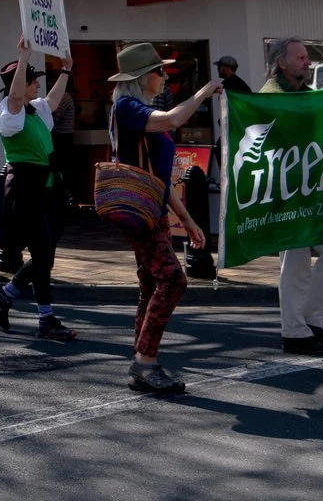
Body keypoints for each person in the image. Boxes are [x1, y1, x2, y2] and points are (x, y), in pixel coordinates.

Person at [106, 43, 219, 394]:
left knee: (151, 285)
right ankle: (145, 362)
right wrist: (203, 92)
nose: (163, 78)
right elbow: (173, 119)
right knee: (173, 280)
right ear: (143, 78)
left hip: (150, 211)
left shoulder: (137, 109)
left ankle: (141, 361)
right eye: (159, 72)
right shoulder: (127, 107)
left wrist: (186, 220)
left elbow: (158, 176)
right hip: (141, 213)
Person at [257, 37, 323, 356]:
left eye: (307, 57)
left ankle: (310, 321)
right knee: (295, 261)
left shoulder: (304, 94)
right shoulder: (271, 95)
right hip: (286, 192)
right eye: (300, 58)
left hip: (313, 190)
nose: (307, 62)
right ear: (282, 63)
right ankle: (294, 331)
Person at [0, 39, 76, 340]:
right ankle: (45, 319)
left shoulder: (35, 110)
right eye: (32, 81)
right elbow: (14, 97)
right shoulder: (9, 114)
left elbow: (52, 101)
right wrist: (23, 57)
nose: (37, 85)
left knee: (45, 253)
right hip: (27, 191)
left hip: (48, 190)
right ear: (21, 85)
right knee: (42, 254)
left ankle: (6, 295)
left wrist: (66, 71)